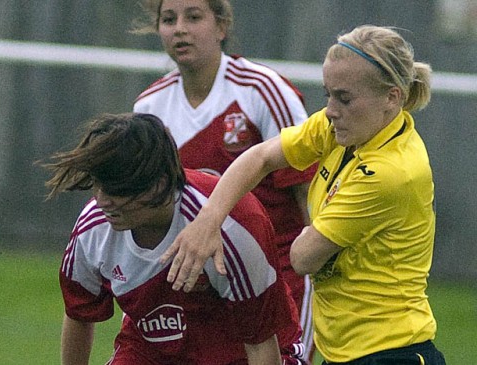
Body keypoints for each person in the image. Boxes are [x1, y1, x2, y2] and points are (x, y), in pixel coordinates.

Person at [162, 25, 447, 364]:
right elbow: (261, 157)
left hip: (391, 352)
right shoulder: (342, 128)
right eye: (328, 94)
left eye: (344, 98)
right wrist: (207, 221)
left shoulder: (390, 173)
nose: (330, 109)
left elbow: (303, 258)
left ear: (392, 97)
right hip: (346, 351)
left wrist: (306, 236)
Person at [131, 0, 316, 360]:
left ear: (222, 26)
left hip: (278, 279)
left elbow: (308, 190)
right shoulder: (149, 108)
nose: (179, 28)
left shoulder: (263, 90)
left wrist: (317, 271)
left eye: (194, 17)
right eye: (169, 20)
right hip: (201, 289)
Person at [42, 112, 304, 365]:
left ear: (159, 184)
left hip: (241, 355)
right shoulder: (93, 227)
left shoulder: (237, 226)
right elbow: (79, 314)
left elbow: (261, 346)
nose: (102, 200)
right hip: (150, 353)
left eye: (116, 190)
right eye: (98, 186)